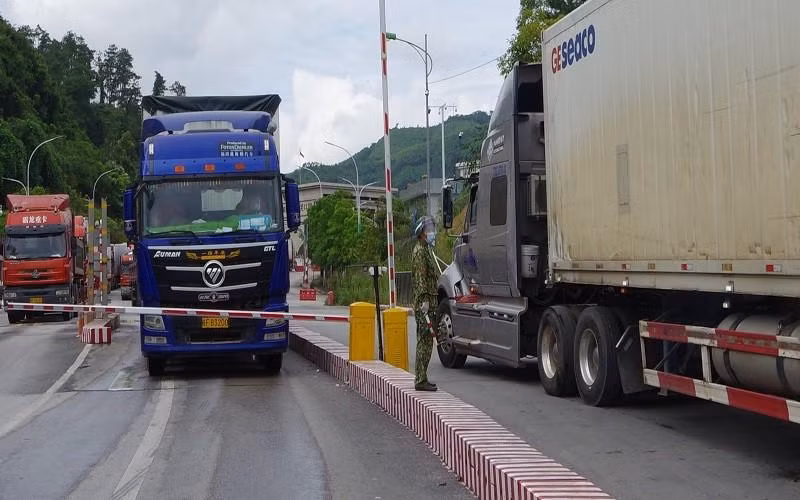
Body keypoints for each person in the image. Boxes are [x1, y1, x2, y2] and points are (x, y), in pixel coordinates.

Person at [411, 215, 439, 391]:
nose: (431, 232)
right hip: (424, 303)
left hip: (428, 300)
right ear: (421, 232)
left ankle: (423, 377)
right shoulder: (420, 251)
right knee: (424, 341)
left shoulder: (426, 249)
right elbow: (421, 278)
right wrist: (425, 301)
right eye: (428, 229)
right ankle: (420, 379)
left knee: (427, 341)